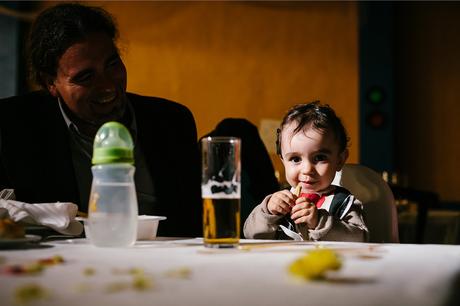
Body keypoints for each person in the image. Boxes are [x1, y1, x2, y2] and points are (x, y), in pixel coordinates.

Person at [0, 3, 202, 237]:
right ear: (50, 84)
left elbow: (192, 226)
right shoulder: (13, 127)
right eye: (85, 76)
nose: (107, 86)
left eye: (112, 64)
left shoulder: (171, 122)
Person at [244, 102, 368, 241]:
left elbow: (359, 238)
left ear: (340, 160)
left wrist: (319, 222)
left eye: (320, 158)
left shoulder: (343, 202)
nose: (307, 169)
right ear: (283, 161)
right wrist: (267, 211)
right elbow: (250, 234)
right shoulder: (279, 202)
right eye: (295, 159)